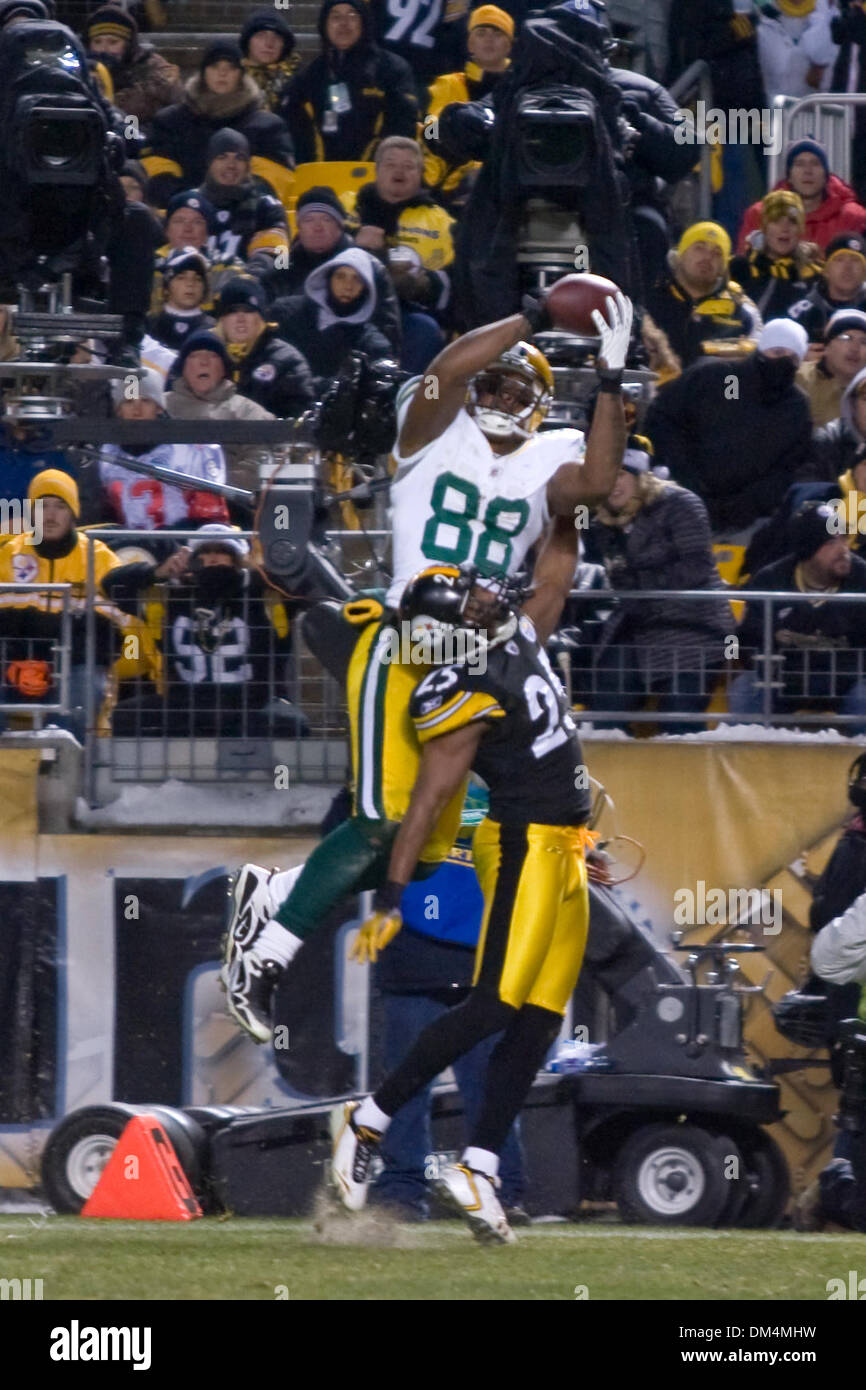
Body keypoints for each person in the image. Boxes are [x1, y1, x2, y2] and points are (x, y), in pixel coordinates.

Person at [218, 290, 631, 1045]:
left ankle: (278, 893)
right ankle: (268, 956)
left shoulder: (549, 466)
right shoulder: (433, 433)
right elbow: (443, 370)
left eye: (519, 389)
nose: (502, 397)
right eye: (495, 384)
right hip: (406, 643)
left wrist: (610, 376)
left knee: (428, 840)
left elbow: (600, 483)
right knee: (380, 822)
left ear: (540, 407)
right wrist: (533, 316)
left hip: (471, 669)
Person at [330, 552, 593, 1244]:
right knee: (496, 1002)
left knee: (539, 1017)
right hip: (522, 844)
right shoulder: (458, 690)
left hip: (566, 845)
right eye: (470, 603)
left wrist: (571, 500)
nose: (486, 601)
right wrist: (390, 894)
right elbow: (427, 802)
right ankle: (371, 1117)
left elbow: (559, 575)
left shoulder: (515, 637)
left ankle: (479, 1168)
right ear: (448, 634)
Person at [582, 437, 731, 733]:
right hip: (637, 626)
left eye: (621, 474)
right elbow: (618, 579)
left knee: (679, 719)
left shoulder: (680, 503)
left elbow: (696, 568)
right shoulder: (604, 520)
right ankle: (604, 774)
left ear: (640, 477)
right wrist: (636, 589)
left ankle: (683, 775)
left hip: (692, 626)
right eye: (607, 475)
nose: (613, 484)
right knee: (605, 708)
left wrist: (643, 585)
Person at [105, 524, 302, 737]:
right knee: (124, 717)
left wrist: (266, 570)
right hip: (185, 705)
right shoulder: (168, 598)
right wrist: (157, 571)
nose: (213, 557)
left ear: (238, 559)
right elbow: (110, 585)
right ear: (193, 561)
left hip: (251, 705)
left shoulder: (266, 596)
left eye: (222, 551)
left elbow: (308, 585)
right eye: (205, 552)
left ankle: (277, 771)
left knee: (291, 724)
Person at [0, 469, 148, 740]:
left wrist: (74, 652)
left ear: (74, 512)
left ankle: (61, 758)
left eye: (60, 506)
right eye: (43, 506)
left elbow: (124, 633)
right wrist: (17, 656)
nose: (51, 515)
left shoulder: (99, 558)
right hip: (13, 664)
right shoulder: (9, 553)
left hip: (77, 667)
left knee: (84, 682)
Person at [645, 318, 812, 539]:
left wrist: (748, 504)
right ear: (762, 350)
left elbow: (790, 466)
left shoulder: (796, 408)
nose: (783, 361)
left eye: (792, 357)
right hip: (678, 499)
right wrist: (683, 475)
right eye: (777, 351)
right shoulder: (718, 376)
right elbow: (663, 418)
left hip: (747, 521)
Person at [729, 499, 866, 729]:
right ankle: (751, 763)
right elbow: (740, 640)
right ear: (807, 548)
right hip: (783, 679)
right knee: (745, 689)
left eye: (844, 538)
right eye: (831, 542)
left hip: (847, 680)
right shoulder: (770, 580)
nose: (843, 550)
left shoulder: (862, 578)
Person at [144, 38, 294, 209]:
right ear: (203, 72)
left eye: (230, 68)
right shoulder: (170, 121)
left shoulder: (268, 126)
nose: (222, 74)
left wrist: (236, 205)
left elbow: (271, 182)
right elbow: (158, 177)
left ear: (241, 75)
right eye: (215, 67)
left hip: (247, 219)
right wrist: (192, 205)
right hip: (184, 217)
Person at [259, 186, 402, 355]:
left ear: (339, 226)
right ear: (299, 227)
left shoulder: (367, 266)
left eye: (326, 219)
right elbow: (265, 294)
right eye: (309, 220)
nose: (317, 227)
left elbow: (386, 331)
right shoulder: (284, 261)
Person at [281, 0, 418, 164]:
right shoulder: (311, 74)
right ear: (324, 25)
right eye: (335, 17)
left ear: (364, 22)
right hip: (319, 177)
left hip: (377, 177)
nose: (343, 24)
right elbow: (289, 118)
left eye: (352, 16)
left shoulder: (391, 69)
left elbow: (403, 124)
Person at [98, 367, 230, 536]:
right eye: (129, 402)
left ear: (159, 407)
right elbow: (105, 516)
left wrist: (165, 541)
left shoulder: (192, 449)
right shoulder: (106, 453)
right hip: (129, 551)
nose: (136, 411)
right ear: (119, 411)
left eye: (145, 401)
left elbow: (210, 518)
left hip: (184, 547)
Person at [423, 5, 513, 207]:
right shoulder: (447, 84)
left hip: (506, 185)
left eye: (497, 33)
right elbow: (429, 130)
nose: (489, 39)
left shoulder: (520, 88)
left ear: (509, 45)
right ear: (470, 43)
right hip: (451, 189)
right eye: (481, 33)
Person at [164, 330, 275, 494]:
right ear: (183, 368)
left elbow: (260, 463)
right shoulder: (160, 405)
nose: (204, 362)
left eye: (213, 356)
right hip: (164, 499)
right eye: (194, 356)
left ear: (224, 368)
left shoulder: (248, 411)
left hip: (230, 505)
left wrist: (213, 484)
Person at [644, 221, 762, 372]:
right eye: (699, 248)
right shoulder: (650, 299)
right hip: (656, 392)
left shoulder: (743, 311)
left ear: (723, 267)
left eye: (717, 253)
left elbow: (754, 371)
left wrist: (731, 392)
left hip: (720, 393)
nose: (707, 257)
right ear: (680, 255)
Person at [274, 247, 392, 392]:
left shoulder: (371, 344)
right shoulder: (285, 313)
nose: (348, 286)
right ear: (327, 278)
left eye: (357, 279)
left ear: (367, 288)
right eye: (340, 276)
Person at [737, 138, 866, 256]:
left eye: (815, 163)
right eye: (799, 164)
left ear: (826, 175)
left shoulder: (853, 216)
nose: (808, 171)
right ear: (789, 176)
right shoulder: (760, 214)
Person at [213, 277, 315, 419]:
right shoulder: (203, 354)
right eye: (232, 311)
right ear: (221, 320)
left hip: (269, 440)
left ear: (261, 318)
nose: (240, 318)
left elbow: (298, 418)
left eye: (248, 310)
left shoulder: (287, 361)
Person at [196, 128, 288, 267]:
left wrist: (249, 279)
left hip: (250, 284)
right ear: (209, 163)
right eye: (222, 157)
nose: (231, 165)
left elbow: (281, 262)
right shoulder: (190, 204)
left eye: (239, 158)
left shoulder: (267, 207)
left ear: (247, 166)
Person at [729, 189, 823, 321]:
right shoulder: (739, 269)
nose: (785, 228)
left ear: (801, 229)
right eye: (776, 221)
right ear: (764, 228)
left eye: (792, 222)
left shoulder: (816, 276)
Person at [84, 3, 181, 127]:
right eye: (97, 42)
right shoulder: (82, 71)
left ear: (128, 45)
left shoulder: (154, 69)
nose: (104, 49)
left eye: (113, 42)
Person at [788, 232, 866, 341]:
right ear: (826, 270)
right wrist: (801, 352)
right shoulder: (802, 312)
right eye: (839, 260)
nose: (847, 268)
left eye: (855, 260)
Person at [756, 0, 838, 103]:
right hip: (774, 114)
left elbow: (825, 81)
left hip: (821, 114)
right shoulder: (761, 23)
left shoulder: (832, 18)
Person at [796, 308, 866, 427]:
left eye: (864, 342)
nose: (855, 348)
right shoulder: (797, 379)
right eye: (846, 338)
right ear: (826, 346)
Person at [145, 245, 214, 352]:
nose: (191, 284)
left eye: (198, 279)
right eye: (181, 278)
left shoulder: (213, 330)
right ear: (166, 286)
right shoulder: (148, 326)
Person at [239, 7, 299, 113]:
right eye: (260, 36)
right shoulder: (233, 76)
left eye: (277, 37)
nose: (269, 44)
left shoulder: (299, 80)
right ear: (248, 42)